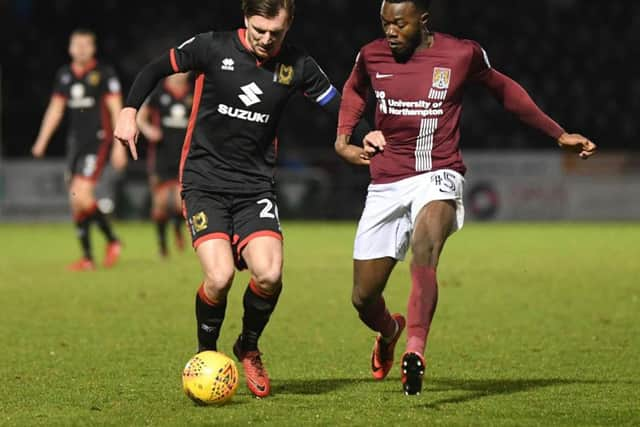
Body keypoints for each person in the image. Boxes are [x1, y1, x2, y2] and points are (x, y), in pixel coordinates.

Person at [335, 0, 597, 395]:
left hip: (439, 172)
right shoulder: (371, 55)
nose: (390, 31)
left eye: (399, 24)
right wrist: (343, 139)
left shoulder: (461, 54)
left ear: (423, 20)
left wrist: (556, 133)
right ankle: (390, 331)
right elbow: (354, 89)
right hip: (387, 180)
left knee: (425, 248)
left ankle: (416, 351)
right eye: (385, 23)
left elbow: (503, 88)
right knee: (363, 297)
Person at [114, 0, 369, 398]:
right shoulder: (211, 47)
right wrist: (129, 111)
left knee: (269, 274)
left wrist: (365, 131)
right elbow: (155, 69)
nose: (267, 39)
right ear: (245, 19)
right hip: (203, 182)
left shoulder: (298, 66)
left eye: (276, 33)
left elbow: (338, 105)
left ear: (289, 27)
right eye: (259, 30)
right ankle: (206, 356)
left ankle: (248, 346)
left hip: (255, 188)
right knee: (219, 278)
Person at [32, 29, 127, 271]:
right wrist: (42, 140)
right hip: (75, 143)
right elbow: (55, 109)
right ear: (70, 48)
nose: (81, 49)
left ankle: (113, 241)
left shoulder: (104, 74)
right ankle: (88, 258)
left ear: (93, 49)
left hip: (99, 140)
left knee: (81, 194)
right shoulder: (64, 75)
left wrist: (119, 145)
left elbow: (116, 109)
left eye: (86, 45)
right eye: (77, 45)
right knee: (76, 202)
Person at [137, 73, 193, 258]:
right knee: (160, 203)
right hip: (160, 156)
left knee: (179, 203)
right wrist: (148, 130)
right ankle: (162, 248)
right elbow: (140, 117)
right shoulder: (158, 93)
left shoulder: (193, 92)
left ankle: (177, 228)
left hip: (185, 156)